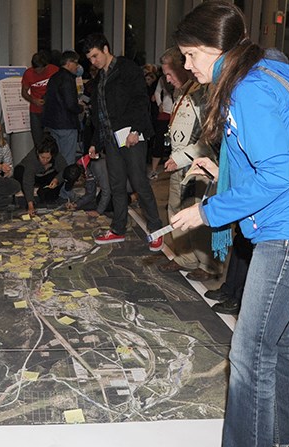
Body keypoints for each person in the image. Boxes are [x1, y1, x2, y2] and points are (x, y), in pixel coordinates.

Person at [170, 3, 289, 447]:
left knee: (248, 353)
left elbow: (278, 176)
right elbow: (277, 159)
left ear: (209, 49)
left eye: (188, 55)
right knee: (274, 333)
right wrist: (222, 175)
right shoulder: (252, 79)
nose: (187, 66)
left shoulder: (250, 90)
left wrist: (206, 211)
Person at [83, 33, 164, 252]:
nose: (93, 62)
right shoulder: (100, 79)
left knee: (139, 182)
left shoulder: (127, 69)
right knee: (116, 185)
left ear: (106, 49)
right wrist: (95, 142)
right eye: (90, 58)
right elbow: (100, 115)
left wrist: (136, 131)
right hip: (111, 139)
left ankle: (156, 229)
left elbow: (140, 101)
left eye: (95, 56)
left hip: (131, 137)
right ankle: (118, 229)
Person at [156, 47, 221, 282]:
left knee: (199, 214)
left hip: (200, 164)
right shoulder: (181, 93)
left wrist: (182, 158)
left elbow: (208, 136)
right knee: (176, 210)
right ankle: (186, 256)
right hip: (179, 162)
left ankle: (208, 264)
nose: (168, 79)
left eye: (170, 74)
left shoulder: (203, 93)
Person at [42, 50, 84, 166]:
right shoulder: (68, 80)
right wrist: (81, 108)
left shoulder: (54, 77)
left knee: (58, 158)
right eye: (76, 63)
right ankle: (66, 183)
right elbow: (70, 104)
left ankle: (57, 182)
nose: (77, 67)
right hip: (67, 124)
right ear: (69, 63)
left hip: (53, 124)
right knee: (68, 160)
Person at [13, 134, 68, 217]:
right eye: (42, 157)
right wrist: (30, 205)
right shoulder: (32, 159)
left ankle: (43, 192)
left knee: (50, 197)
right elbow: (28, 180)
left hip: (47, 176)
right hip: (33, 176)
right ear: (38, 153)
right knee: (19, 171)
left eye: (48, 158)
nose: (45, 160)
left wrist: (57, 180)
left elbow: (65, 169)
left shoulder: (57, 155)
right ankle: (30, 199)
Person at [21, 52, 59, 146]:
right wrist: (33, 100)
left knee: (53, 140)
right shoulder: (28, 73)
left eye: (41, 69)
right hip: (35, 111)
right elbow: (24, 92)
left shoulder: (54, 70)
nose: (39, 72)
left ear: (46, 66)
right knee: (38, 141)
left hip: (52, 111)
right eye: (37, 70)